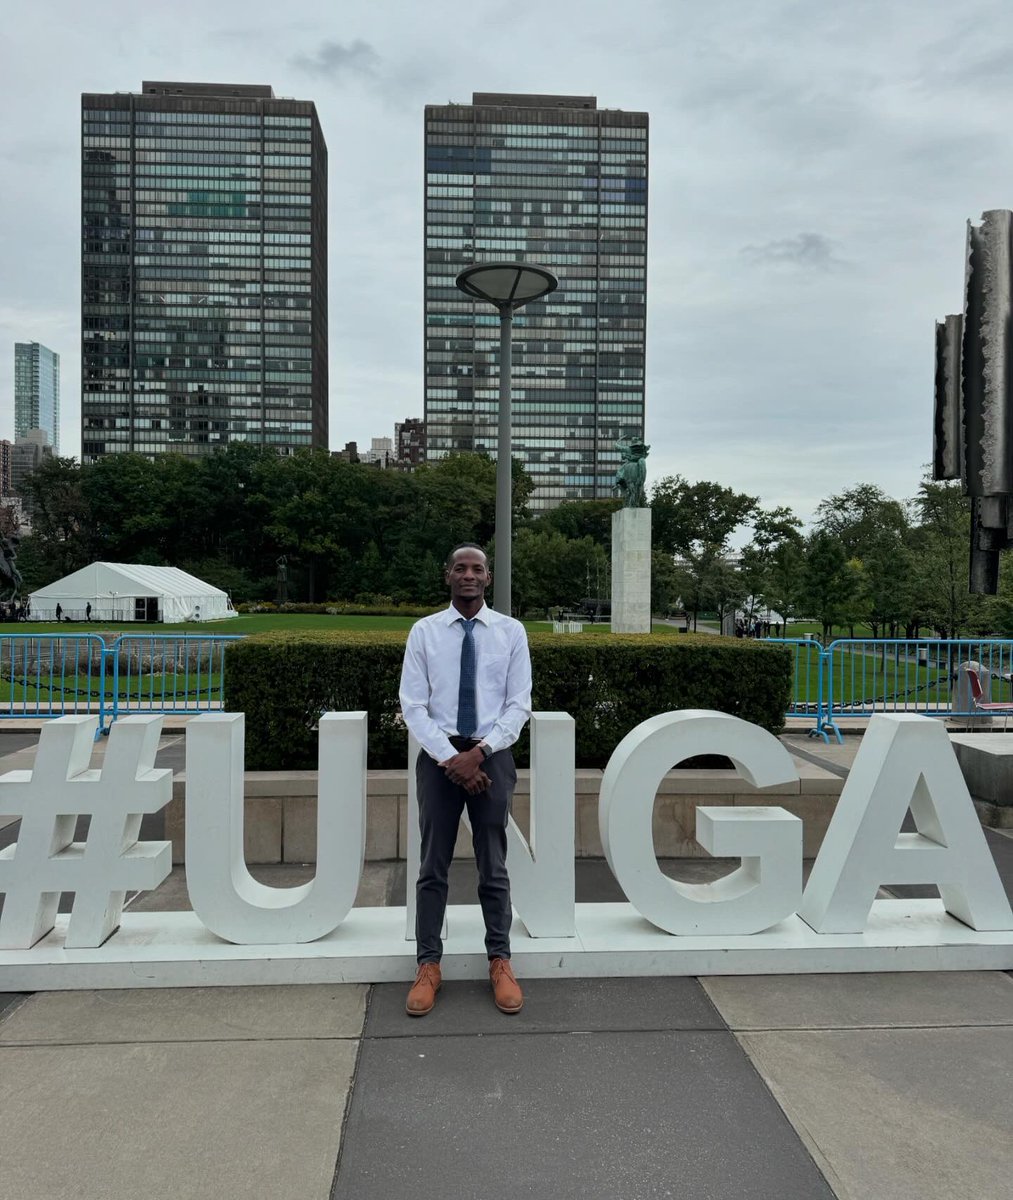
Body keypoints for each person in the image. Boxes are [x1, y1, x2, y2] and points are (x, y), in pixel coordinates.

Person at [398, 543, 532, 1018]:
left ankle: (500, 960)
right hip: (440, 759)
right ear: (448, 575)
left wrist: (478, 755)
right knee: (432, 865)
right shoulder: (425, 632)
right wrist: (451, 757)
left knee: (493, 863)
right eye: (461, 568)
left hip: (490, 755)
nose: (469, 575)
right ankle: (428, 965)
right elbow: (413, 705)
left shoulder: (511, 632)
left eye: (477, 568)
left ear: (488, 578)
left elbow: (519, 704)